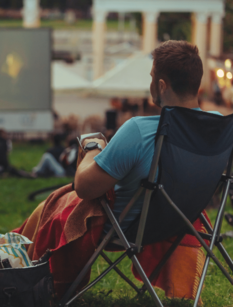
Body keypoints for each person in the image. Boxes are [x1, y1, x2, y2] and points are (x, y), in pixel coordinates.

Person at [14, 41, 221, 300]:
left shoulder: (140, 131)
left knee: (55, 202)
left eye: (151, 77)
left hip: (126, 227)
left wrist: (93, 148)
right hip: (180, 222)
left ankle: (18, 269)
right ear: (196, 83)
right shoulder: (218, 130)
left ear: (160, 86)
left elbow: (85, 188)